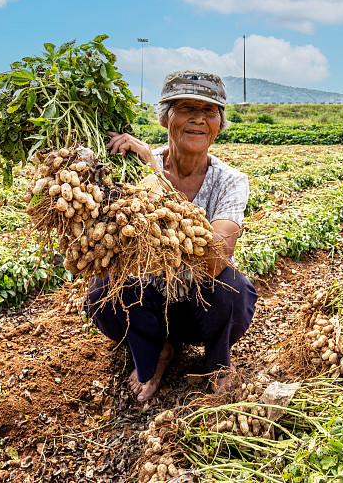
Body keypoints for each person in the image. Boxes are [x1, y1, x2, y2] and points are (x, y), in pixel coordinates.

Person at [85, 70, 258, 402]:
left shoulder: (231, 180)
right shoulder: (134, 168)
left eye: (208, 112)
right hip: (145, 299)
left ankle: (215, 362)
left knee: (235, 291)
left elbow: (214, 257)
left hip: (198, 304)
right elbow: (116, 246)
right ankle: (157, 351)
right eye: (185, 109)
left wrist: (157, 177)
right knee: (102, 292)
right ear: (166, 119)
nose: (197, 120)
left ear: (219, 125)